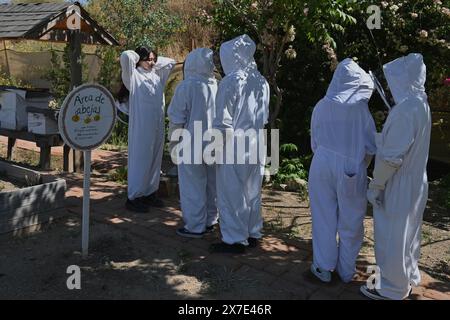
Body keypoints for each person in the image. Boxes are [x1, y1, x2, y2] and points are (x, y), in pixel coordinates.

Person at [361, 53, 431, 300]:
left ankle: (391, 288)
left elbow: (392, 158)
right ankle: (408, 276)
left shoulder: (405, 110)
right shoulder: (420, 103)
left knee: (392, 236)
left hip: (399, 182)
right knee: (409, 233)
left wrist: (377, 185)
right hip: (415, 180)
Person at [309, 58, 377, 283]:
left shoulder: (321, 105)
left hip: (321, 163)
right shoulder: (360, 110)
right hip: (351, 166)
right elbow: (370, 146)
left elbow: (315, 141)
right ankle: (347, 270)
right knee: (351, 219)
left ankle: (323, 267)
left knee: (323, 215)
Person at [210, 34, 270, 254]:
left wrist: (215, 149)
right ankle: (252, 232)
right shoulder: (261, 81)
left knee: (231, 192)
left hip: (234, 145)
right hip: (257, 142)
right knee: (252, 190)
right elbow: (264, 117)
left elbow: (223, 122)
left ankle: (234, 239)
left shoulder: (230, 81)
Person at [167, 48, 219, 238]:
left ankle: (195, 225)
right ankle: (211, 220)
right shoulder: (216, 85)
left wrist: (173, 142)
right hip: (213, 142)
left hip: (190, 142)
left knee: (192, 185)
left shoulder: (186, 86)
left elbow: (176, 117)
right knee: (211, 183)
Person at [119, 47, 176, 213]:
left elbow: (170, 63)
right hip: (142, 127)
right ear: (139, 60)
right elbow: (126, 56)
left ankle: (149, 193)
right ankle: (134, 197)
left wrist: (153, 62)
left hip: (156, 125)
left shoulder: (157, 75)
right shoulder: (133, 76)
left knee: (155, 160)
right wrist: (138, 57)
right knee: (140, 160)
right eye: (148, 59)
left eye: (153, 59)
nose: (151, 63)